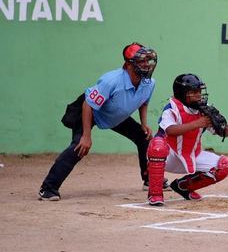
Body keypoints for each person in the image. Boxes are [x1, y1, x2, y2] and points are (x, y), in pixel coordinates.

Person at [38, 43, 159, 201]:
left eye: (148, 60)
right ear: (128, 64)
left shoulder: (149, 83)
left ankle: (149, 181)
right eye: (141, 61)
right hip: (90, 111)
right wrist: (86, 136)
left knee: (144, 137)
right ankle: (48, 188)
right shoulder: (111, 81)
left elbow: (143, 102)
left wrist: (144, 124)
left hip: (113, 114)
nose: (146, 64)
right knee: (79, 147)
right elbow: (88, 104)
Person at [146, 74, 228, 206]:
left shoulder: (203, 109)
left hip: (191, 154)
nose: (198, 95)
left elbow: (224, 133)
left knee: (223, 166)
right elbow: (170, 130)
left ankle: (183, 186)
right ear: (182, 94)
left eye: (199, 92)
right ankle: (155, 194)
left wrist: (221, 124)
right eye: (193, 92)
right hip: (169, 156)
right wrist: (198, 123)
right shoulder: (171, 108)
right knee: (157, 146)